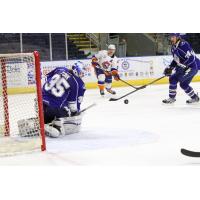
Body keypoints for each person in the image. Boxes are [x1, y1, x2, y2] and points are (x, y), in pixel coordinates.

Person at [42, 61, 86, 137]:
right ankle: (54, 125)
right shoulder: (76, 84)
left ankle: (44, 122)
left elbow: (47, 77)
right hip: (54, 108)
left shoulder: (60, 69)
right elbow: (72, 105)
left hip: (41, 102)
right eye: (81, 72)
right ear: (76, 71)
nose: (82, 75)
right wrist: (76, 112)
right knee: (66, 113)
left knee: (46, 117)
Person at [163, 33, 200, 104]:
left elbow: (192, 58)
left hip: (192, 67)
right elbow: (176, 60)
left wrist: (183, 65)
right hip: (185, 67)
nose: (171, 39)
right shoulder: (173, 47)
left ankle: (172, 98)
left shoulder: (184, 45)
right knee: (179, 82)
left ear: (177, 37)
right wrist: (170, 67)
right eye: (170, 37)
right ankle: (194, 98)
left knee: (178, 80)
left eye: (173, 37)